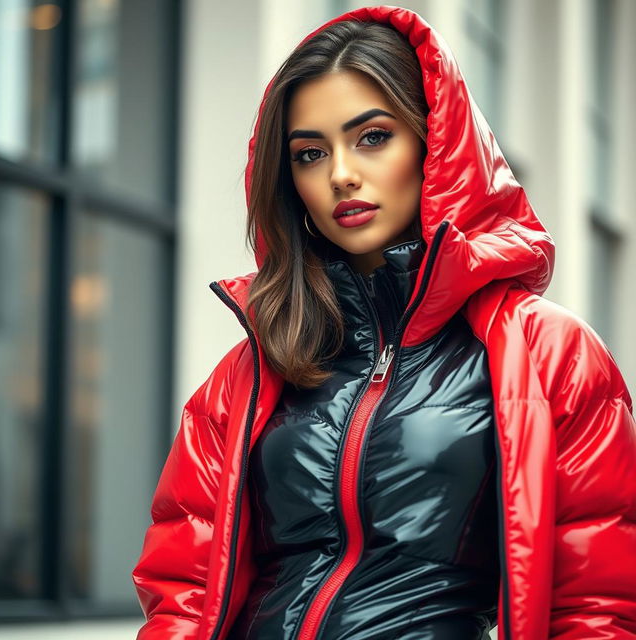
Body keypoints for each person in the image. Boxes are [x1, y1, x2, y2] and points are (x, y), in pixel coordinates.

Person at [132, 6, 636, 640]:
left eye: (372, 136)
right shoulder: (251, 370)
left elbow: (596, 606)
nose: (341, 174)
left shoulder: (547, 354)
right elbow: (183, 589)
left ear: (436, 144)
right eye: (310, 153)